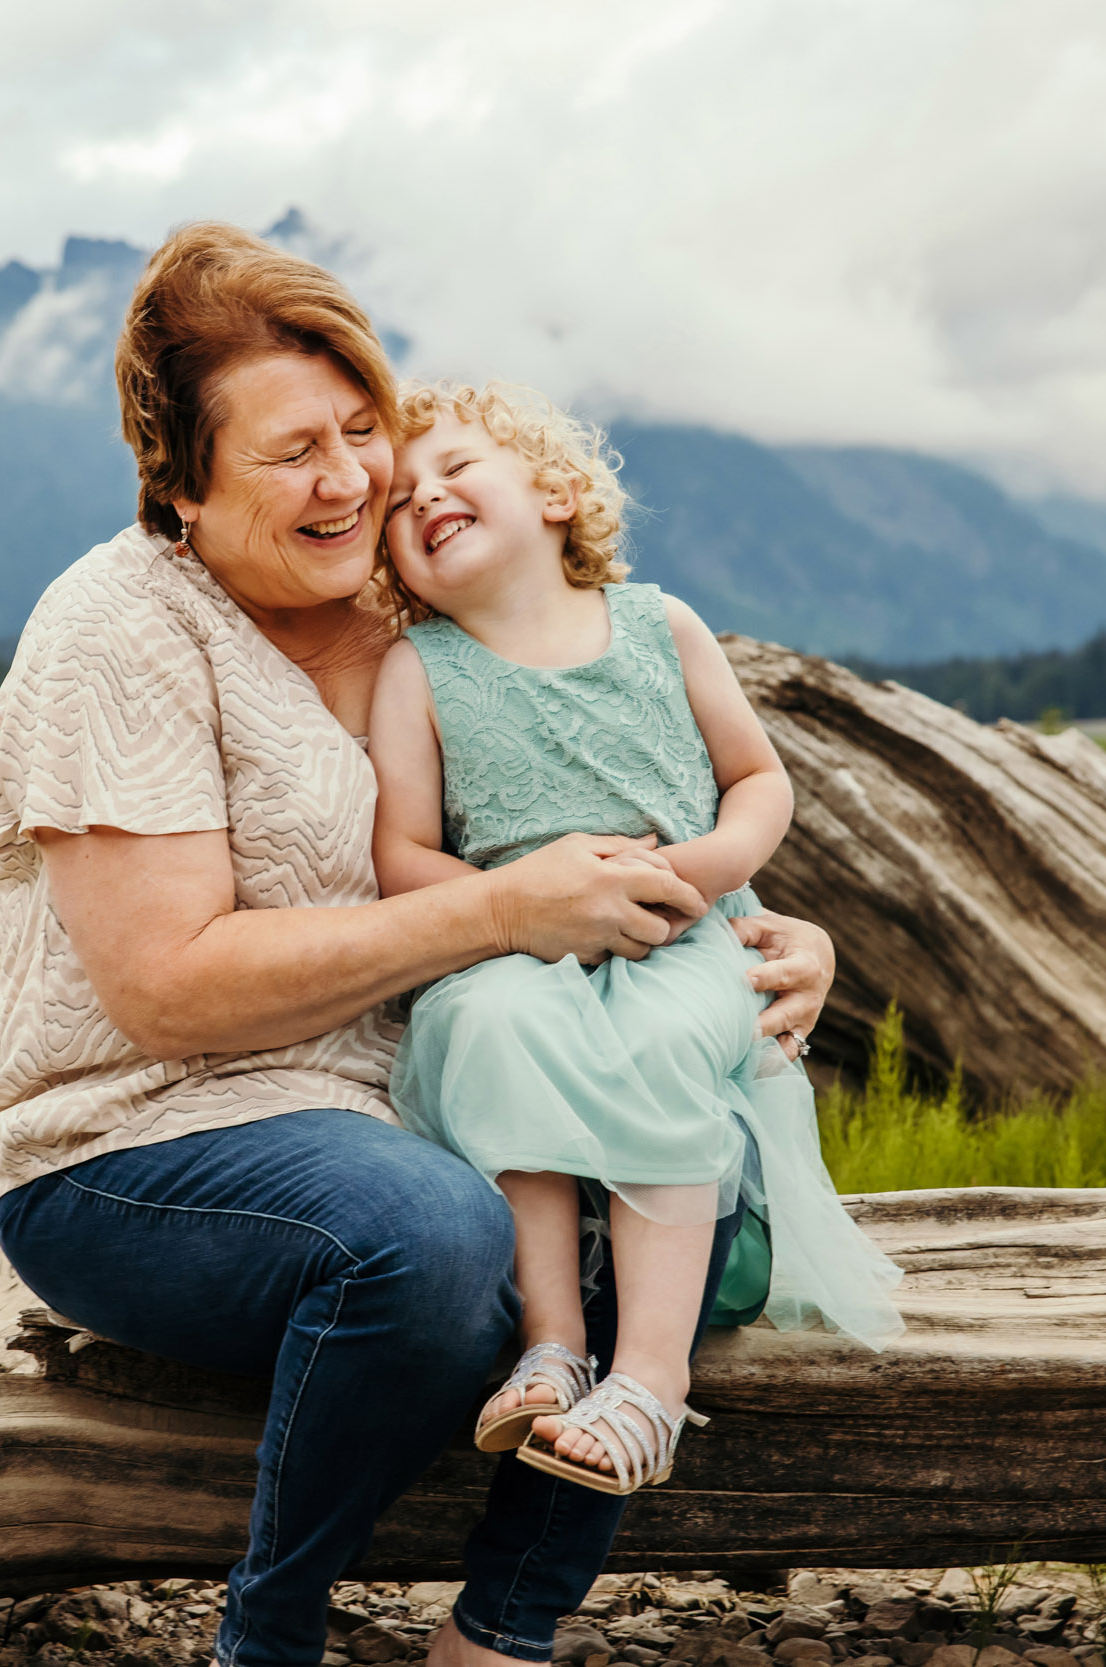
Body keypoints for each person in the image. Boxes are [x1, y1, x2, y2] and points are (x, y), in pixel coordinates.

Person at [0, 220, 845, 1667]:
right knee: (435, 1239)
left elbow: (623, 803)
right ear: (179, 483)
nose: (350, 479)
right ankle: (274, 1629)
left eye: (363, 429)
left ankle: (499, 1631)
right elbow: (169, 990)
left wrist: (758, 937)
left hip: (416, 1094)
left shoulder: (413, 611)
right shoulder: (114, 630)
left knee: (673, 1201)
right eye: (291, 451)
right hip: (141, 1142)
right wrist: (498, 912)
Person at [368, 381, 908, 1497]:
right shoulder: (417, 668)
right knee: (488, 1021)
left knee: (665, 1044)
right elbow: (402, 854)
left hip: (683, 937)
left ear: (557, 492)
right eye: (398, 502)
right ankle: (552, 1344)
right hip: (516, 942)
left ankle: (651, 1383)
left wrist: (694, 871)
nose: (424, 499)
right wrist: (512, 898)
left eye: (456, 470)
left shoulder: (660, 625)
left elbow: (758, 777)